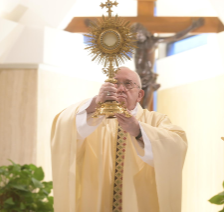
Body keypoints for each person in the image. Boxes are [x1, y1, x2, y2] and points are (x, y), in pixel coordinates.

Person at [51, 67, 188, 212]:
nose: (121, 89)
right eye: (115, 84)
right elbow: (65, 126)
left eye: (128, 84)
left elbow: (176, 145)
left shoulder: (155, 120)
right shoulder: (90, 119)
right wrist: (96, 102)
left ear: (140, 95)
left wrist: (139, 131)